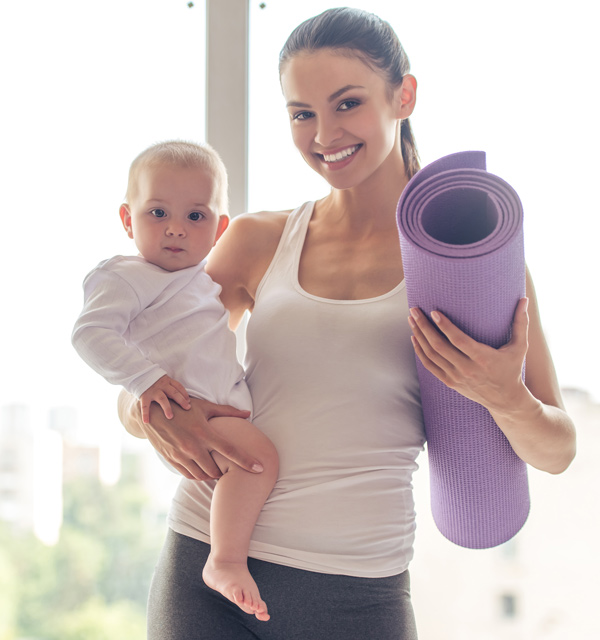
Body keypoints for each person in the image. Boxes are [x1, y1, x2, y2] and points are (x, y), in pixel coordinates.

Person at [118, 8, 576, 639]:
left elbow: (557, 449)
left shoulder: (471, 263)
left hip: (357, 593)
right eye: (301, 113)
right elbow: (140, 375)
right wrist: (155, 415)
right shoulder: (258, 240)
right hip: (205, 567)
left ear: (404, 95)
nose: (324, 133)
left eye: (347, 103)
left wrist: (504, 396)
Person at [72, 140, 278, 621]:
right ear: (127, 220)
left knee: (250, 462)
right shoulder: (125, 277)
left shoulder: (201, 280)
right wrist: (145, 383)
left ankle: (226, 553)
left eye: (195, 217)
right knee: (257, 461)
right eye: (158, 212)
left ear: (219, 228)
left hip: (215, 405)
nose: (174, 229)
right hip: (190, 411)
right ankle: (225, 561)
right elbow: (89, 334)